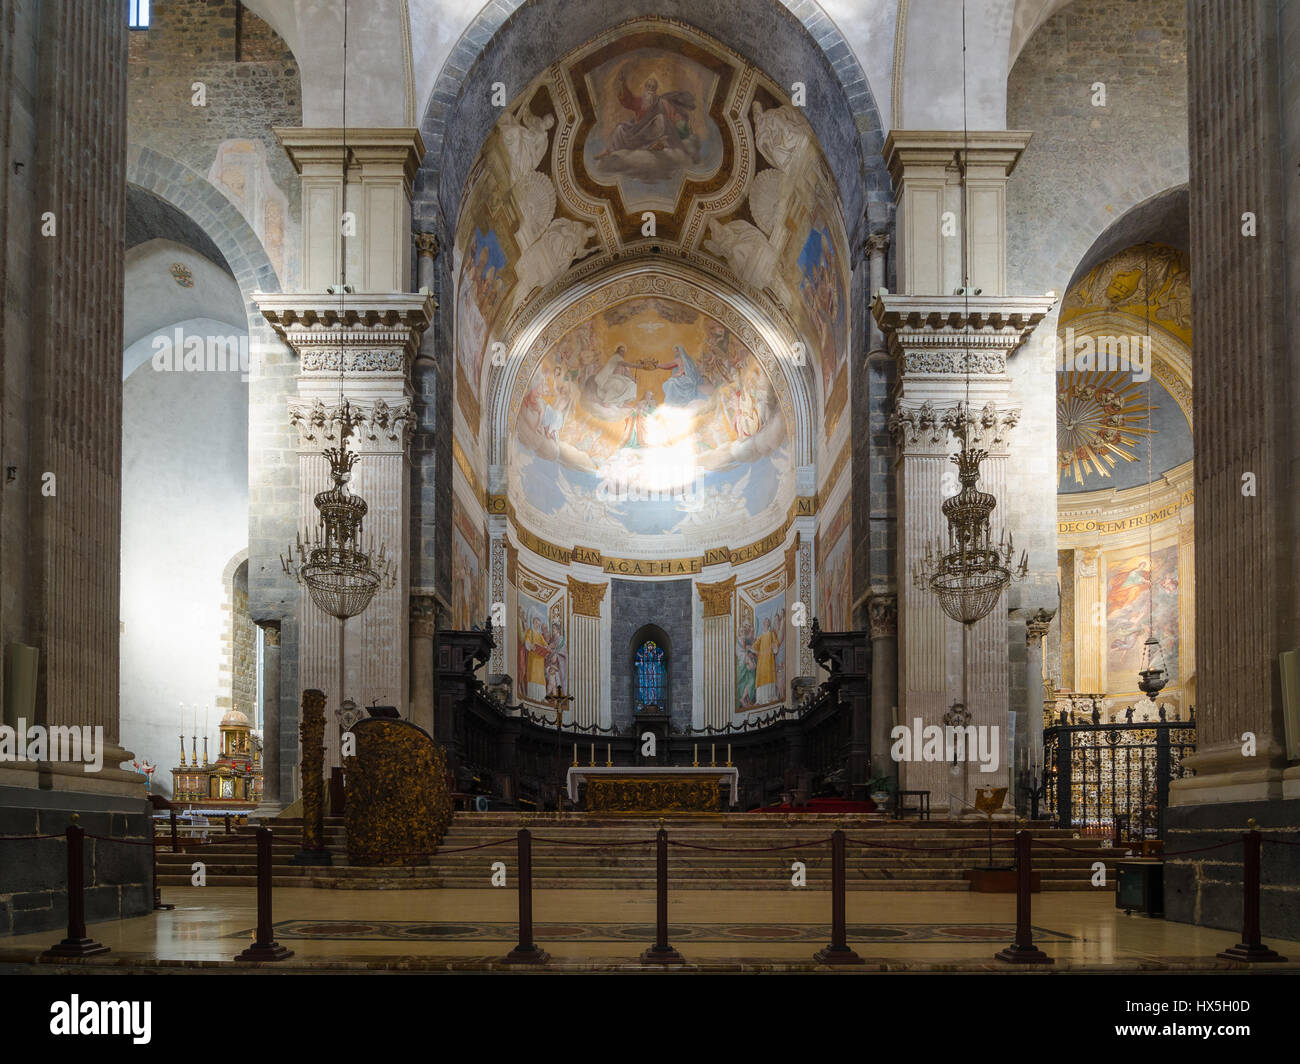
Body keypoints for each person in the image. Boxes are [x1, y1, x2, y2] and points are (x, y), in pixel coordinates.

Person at [595, 70, 696, 159]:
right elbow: (628, 101)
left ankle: (657, 144)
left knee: (661, 119)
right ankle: (608, 150)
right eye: (648, 86)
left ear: (655, 89)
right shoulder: (640, 101)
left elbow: (673, 115)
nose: (650, 89)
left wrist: (683, 123)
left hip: (653, 132)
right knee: (620, 128)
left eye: (653, 87)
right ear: (645, 87)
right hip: (638, 130)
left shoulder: (662, 102)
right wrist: (623, 84)